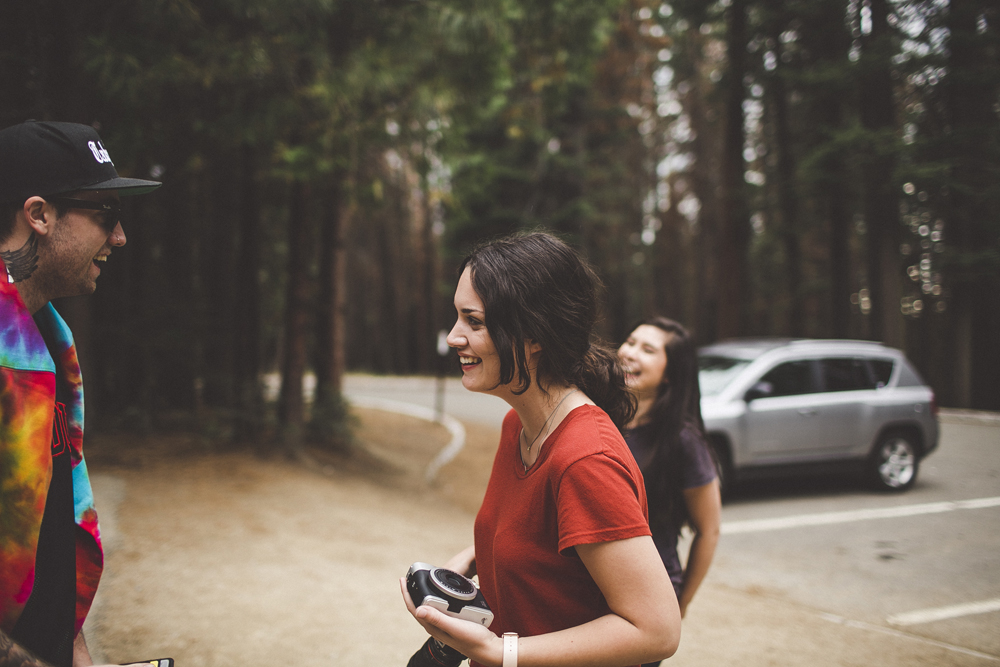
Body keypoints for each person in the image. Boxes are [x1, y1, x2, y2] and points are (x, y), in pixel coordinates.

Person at [400, 232, 681, 667]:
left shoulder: (586, 460)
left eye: (473, 321)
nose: (455, 337)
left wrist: (501, 652)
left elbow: (656, 629)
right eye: (457, 318)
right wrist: (465, 567)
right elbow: (539, 545)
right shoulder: (519, 425)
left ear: (533, 336)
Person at [0, 120, 161, 667]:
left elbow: (52, 537)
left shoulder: (47, 334)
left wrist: (73, 650)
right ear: (39, 215)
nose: (119, 237)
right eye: (105, 216)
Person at [617, 317, 721, 639]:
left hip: (650, 592)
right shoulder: (602, 416)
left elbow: (709, 529)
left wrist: (681, 603)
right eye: (631, 342)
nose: (631, 353)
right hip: (596, 585)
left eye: (647, 350)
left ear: (669, 374)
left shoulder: (682, 440)